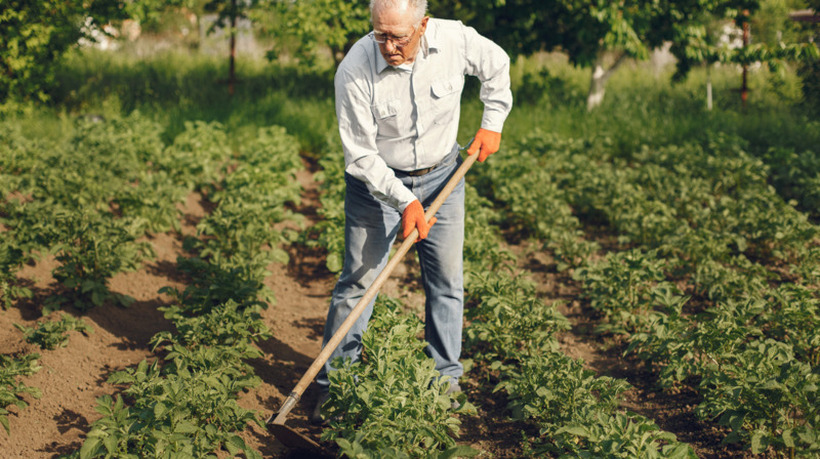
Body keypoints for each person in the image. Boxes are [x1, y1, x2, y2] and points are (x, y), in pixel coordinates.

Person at [312, 0, 512, 424]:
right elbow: (362, 156)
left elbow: (496, 64)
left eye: (398, 36)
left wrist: (492, 121)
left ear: (422, 24)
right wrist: (405, 202)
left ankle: (445, 384)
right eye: (380, 34)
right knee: (358, 283)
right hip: (376, 187)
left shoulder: (454, 38)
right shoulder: (354, 69)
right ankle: (335, 387)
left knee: (446, 282)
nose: (388, 46)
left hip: (444, 175)